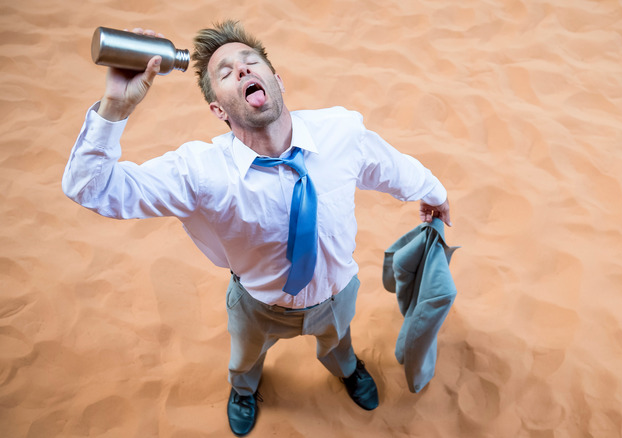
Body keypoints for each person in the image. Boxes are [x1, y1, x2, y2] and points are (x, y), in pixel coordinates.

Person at [63, 20, 451, 437]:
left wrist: (435, 192)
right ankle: (244, 390)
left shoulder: (341, 133)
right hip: (257, 305)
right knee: (245, 358)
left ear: (276, 79)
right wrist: (115, 108)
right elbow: (91, 188)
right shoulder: (199, 171)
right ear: (218, 109)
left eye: (251, 62)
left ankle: (347, 369)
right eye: (226, 73)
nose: (243, 70)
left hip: (337, 294)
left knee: (339, 343)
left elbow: (391, 167)